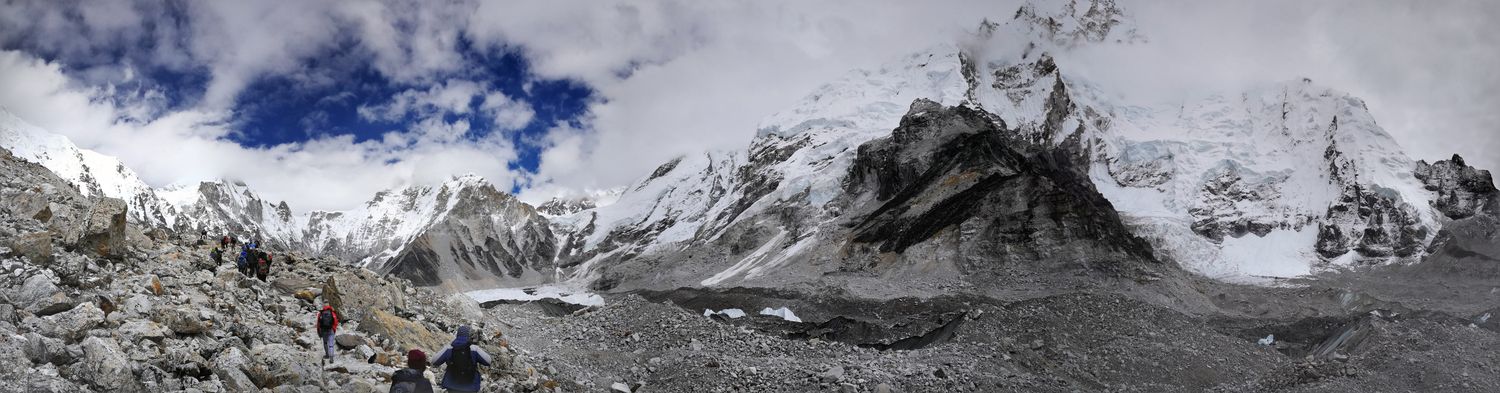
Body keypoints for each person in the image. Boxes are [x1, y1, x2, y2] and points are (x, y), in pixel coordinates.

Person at [432, 326, 492, 392]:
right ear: (469, 335)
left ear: (457, 335)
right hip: (471, 388)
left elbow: (434, 361)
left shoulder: (449, 347)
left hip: (451, 386)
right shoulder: (474, 348)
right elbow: (488, 361)